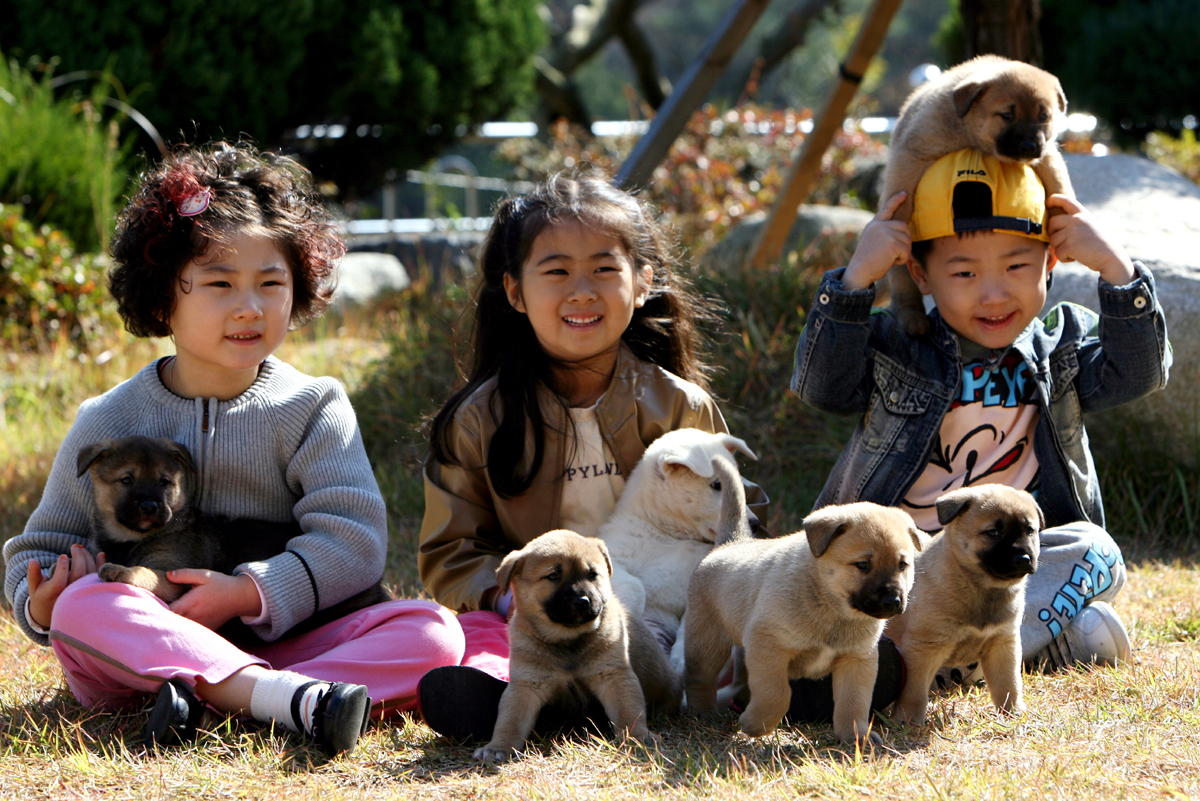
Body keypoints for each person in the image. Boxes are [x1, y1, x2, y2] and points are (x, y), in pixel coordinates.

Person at [1, 142, 475, 757]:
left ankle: (235, 696)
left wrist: (248, 593)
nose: (248, 306)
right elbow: (37, 549)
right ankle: (288, 700)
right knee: (84, 608)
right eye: (220, 283)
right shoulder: (110, 419)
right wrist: (38, 600)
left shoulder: (312, 406)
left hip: (290, 639)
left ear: (299, 288)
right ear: (161, 296)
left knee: (434, 633)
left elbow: (353, 542)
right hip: (151, 645)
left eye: (270, 283)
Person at [414, 173, 777, 740]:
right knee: (471, 637)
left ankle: (772, 686)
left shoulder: (678, 404)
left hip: (661, 615)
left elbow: (732, 527)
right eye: (556, 271)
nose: (582, 291)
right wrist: (504, 596)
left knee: (754, 630)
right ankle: (504, 693)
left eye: (604, 270)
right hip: (539, 617)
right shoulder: (480, 418)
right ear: (514, 292)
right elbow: (451, 549)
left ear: (641, 283)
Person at [792, 148, 1171, 680]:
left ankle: (947, 659)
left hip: (1008, 559)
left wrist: (1118, 270)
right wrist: (854, 282)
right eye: (964, 272)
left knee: (1098, 552)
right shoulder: (901, 345)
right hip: (906, 566)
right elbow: (821, 387)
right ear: (921, 275)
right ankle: (1019, 644)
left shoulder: (1059, 346)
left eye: (1017, 266)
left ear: (1051, 262)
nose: (994, 293)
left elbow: (1138, 375)